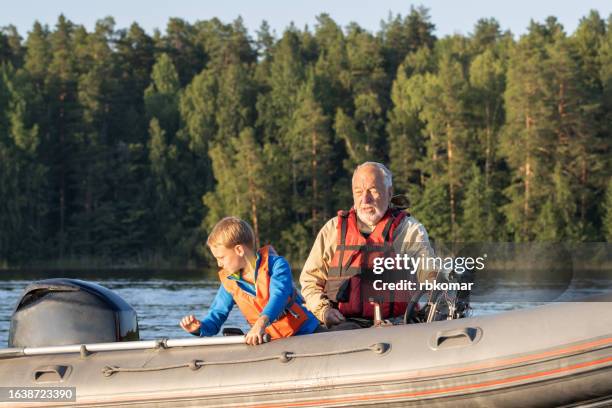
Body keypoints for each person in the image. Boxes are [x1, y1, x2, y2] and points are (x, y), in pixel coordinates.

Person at [300, 162, 437, 329]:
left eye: (373, 190)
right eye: (359, 192)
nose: (365, 199)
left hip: (397, 324)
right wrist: (324, 311)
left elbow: (429, 272)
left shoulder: (409, 230)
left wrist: (436, 287)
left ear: (389, 193)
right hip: (344, 324)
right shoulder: (332, 229)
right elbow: (310, 281)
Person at [180, 217, 319, 345]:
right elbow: (216, 316)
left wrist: (260, 324)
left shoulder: (277, 265)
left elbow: (279, 295)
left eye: (221, 257)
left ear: (239, 250)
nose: (219, 264)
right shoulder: (230, 282)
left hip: (306, 332)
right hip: (271, 341)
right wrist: (199, 328)